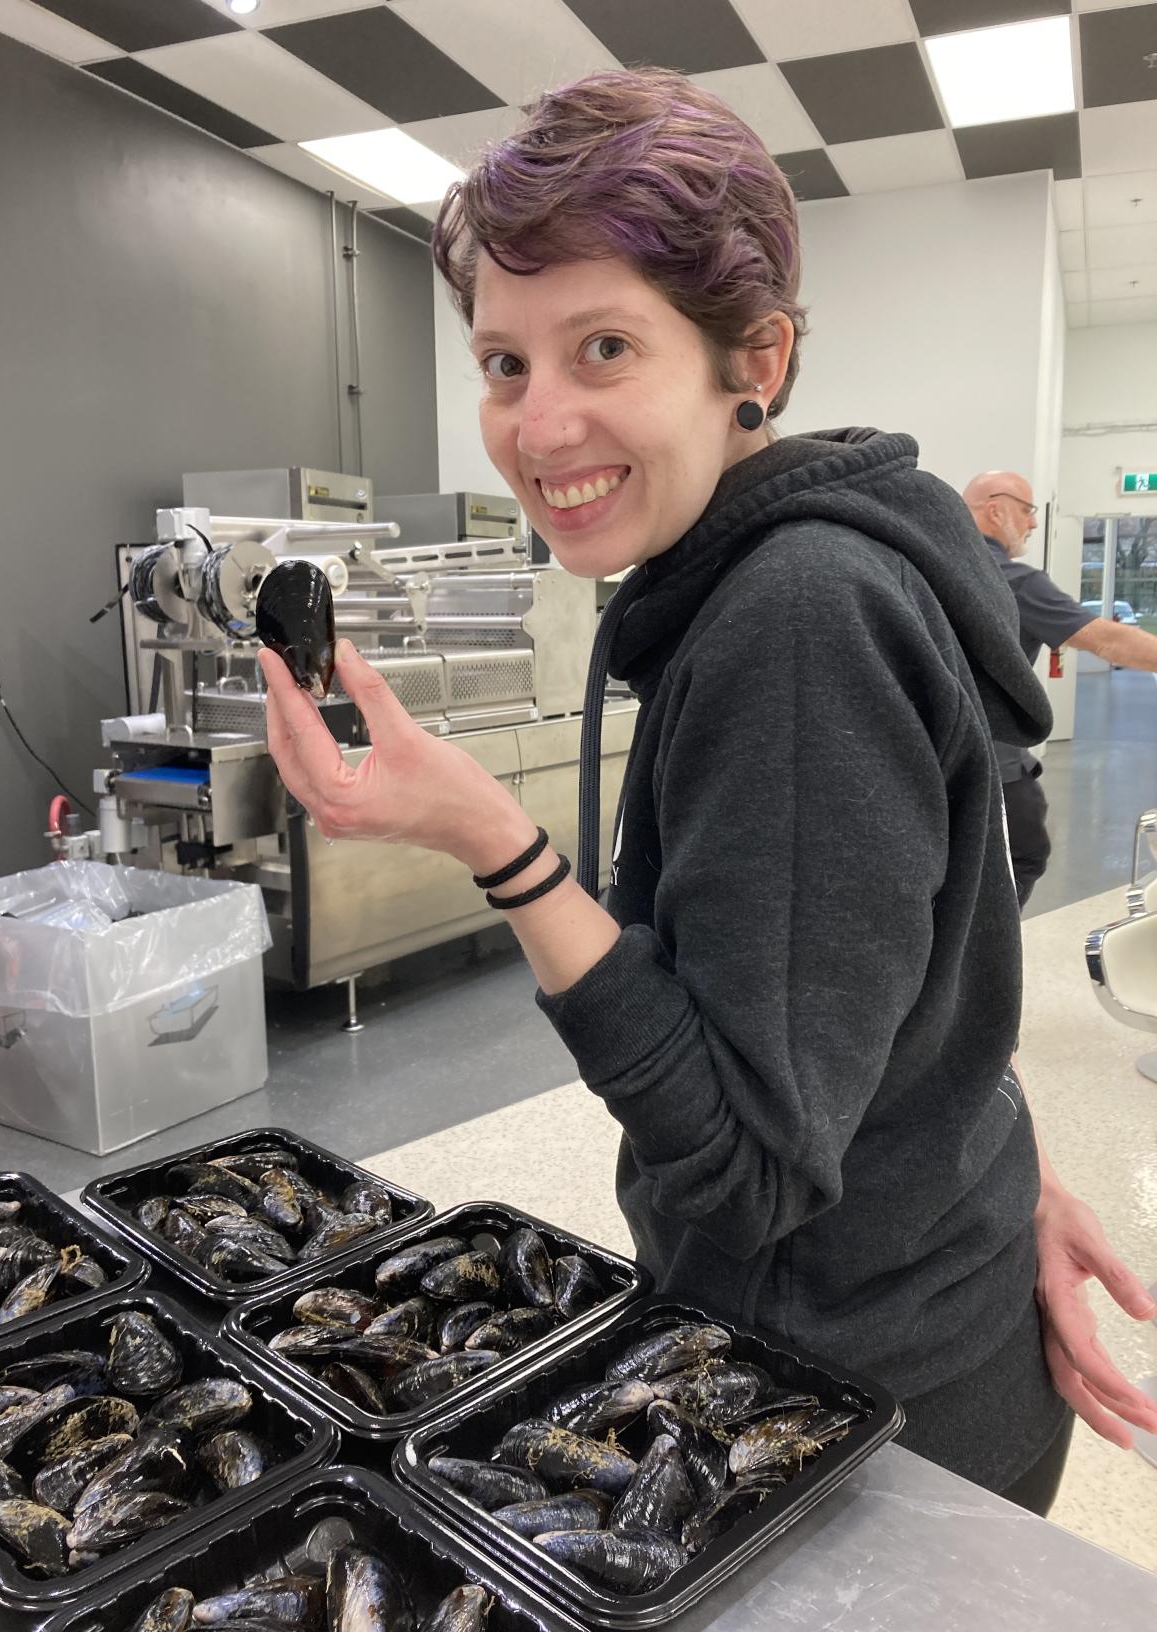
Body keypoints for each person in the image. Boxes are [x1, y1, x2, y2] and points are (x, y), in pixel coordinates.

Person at [258, 69, 1157, 1512]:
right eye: (504, 363)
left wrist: (493, 839)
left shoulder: (797, 613)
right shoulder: (815, 561)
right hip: (917, 1291)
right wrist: (987, 1163)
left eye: (603, 347)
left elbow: (744, 1165)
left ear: (756, 359)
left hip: (859, 1408)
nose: (539, 428)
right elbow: (914, 976)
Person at [964, 471, 1157, 907]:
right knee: (1023, 858)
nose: (1033, 524)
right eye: (1028, 511)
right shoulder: (1014, 581)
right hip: (995, 763)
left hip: (928, 754)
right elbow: (1108, 640)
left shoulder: (925, 567)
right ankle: (978, 965)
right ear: (996, 510)